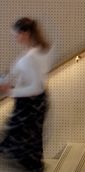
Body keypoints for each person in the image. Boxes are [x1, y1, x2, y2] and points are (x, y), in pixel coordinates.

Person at [0, 18, 53, 171]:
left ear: (25, 33)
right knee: (31, 143)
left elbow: (36, 87)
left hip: (30, 105)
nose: (15, 38)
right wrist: (11, 85)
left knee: (20, 143)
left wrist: (10, 90)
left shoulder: (30, 57)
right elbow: (30, 79)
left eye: (16, 34)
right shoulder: (38, 51)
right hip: (36, 103)